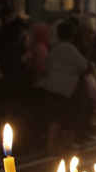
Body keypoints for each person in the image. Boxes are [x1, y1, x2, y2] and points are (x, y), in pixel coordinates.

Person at [37, 19, 90, 154]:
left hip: (52, 88)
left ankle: (51, 146)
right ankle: (67, 145)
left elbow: (47, 65)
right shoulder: (71, 49)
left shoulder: (54, 49)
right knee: (68, 118)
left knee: (54, 119)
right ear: (72, 35)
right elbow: (83, 66)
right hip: (66, 90)